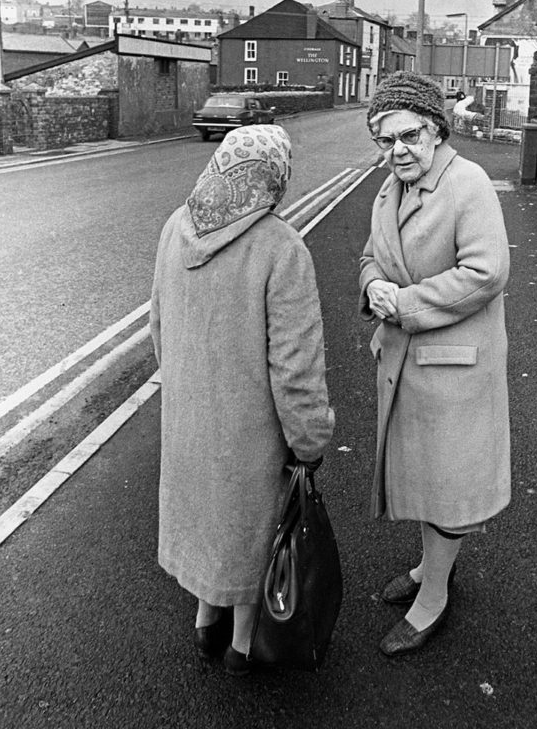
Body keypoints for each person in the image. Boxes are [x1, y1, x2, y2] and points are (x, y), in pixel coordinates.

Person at [150, 124, 334, 676]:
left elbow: (158, 327)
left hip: (188, 418)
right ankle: (244, 643)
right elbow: (296, 368)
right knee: (252, 527)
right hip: (251, 433)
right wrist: (310, 439)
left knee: (208, 520)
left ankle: (207, 619)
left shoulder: (175, 229)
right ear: (274, 177)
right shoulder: (282, 248)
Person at [359, 71, 511, 657]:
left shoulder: (467, 184)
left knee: (449, 486)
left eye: (410, 135)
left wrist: (405, 304)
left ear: (437, 129)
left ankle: (435, 598)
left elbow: (487, 272)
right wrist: (372, 284)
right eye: (384, 139)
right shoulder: (390, 187)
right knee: (425, 478)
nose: (397, 150)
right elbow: (372, 253)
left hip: (453, 369)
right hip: (406, 362)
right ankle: (431, 566)